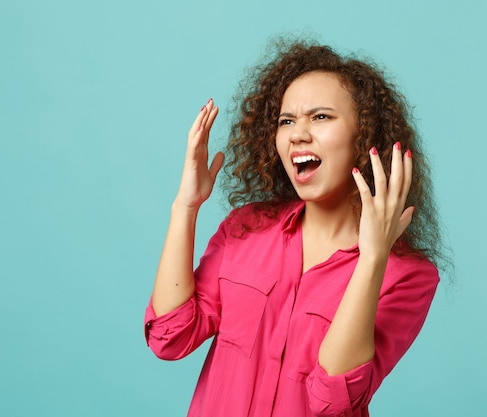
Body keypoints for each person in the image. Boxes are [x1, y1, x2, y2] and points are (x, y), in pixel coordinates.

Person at [144, 38, 446, 417]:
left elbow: (332, 400)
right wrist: (185, 208)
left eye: (321, 117)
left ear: (365, 136)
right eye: (286, 121)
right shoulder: (246, 228)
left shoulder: (408, 276)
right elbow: (170, 337)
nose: (297, 134)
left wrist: (372, 260)